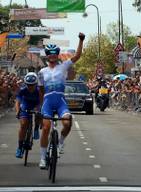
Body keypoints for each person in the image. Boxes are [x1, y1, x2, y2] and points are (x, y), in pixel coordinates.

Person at [38, 33, 85, 169]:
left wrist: (81, 40)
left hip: (60, 102)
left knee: (68, 122)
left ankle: (61, 142)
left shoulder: (63, 66)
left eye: (54, 53)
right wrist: (40, 107)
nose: (52, 55)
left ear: (57, 55)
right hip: (47, 102)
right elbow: (41, 91)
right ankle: (42, 158)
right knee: (46, 128)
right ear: (47, 55)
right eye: (50, 53)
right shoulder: (42, 71)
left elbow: (77, 56)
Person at [15, 72, 40, 158]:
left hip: (36, 104)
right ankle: (19, 147)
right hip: (26, 105)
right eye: (28, 85)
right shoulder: (22, 90)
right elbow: (17, 102)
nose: (30, 87)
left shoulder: (39, 90)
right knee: (23, 125)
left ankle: (36, 128)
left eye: (32, 85)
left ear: (36, 84)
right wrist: (18, 111)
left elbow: (42, 102)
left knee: (39, 114)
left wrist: (38, 109)